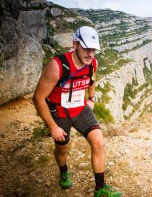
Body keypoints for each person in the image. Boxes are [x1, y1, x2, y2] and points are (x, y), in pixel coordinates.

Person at [32, 26, 121, 197]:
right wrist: (52, 127)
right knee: (62, 149)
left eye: (93, 49)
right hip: (60, 113)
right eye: (86, 48)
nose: (90, 53)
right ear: (75, 44)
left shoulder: (92, 63)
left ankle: (100, 190)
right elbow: (38, 98)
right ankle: (64, 171)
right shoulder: (57, 66)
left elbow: (92, 79)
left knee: (99, 142)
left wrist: (92, 98)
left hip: (81, 109)